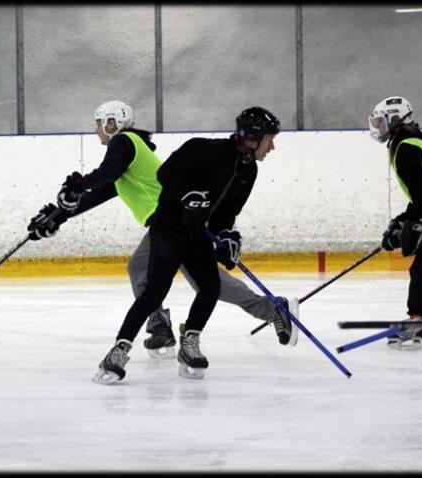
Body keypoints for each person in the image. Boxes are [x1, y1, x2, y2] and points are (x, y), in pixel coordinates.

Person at [27, 101, 297, 361]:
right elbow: (100, 192)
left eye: (99, 124)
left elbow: (104, 176)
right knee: (141, 269)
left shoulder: (124, 143)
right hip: (166, 222)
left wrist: (76, 187)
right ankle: (160, 325)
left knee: (205, 283)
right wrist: (57, 216)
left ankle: (273, 309)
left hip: (179, 221)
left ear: (113, 124)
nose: (96, 130)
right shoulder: (129, 155)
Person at [86, 106, 282, 383]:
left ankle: (190, 344)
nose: (272, 147)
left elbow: (227, 212)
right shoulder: (204, 149)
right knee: (154, 292)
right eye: (269, 139)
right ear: (251, 137)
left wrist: (227, 236)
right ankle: (118, 352)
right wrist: (188, 197)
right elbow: (166, 175)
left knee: (210, 286)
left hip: (197, 235)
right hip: (168, 229)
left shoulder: (248, 172)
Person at [369, 96, 422, 349]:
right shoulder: (412, 145)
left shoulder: (406, 150)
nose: (378, 128)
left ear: (396, 120)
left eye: (382, 122)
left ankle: (417, 321)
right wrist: (403, 221)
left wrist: (412, 224)